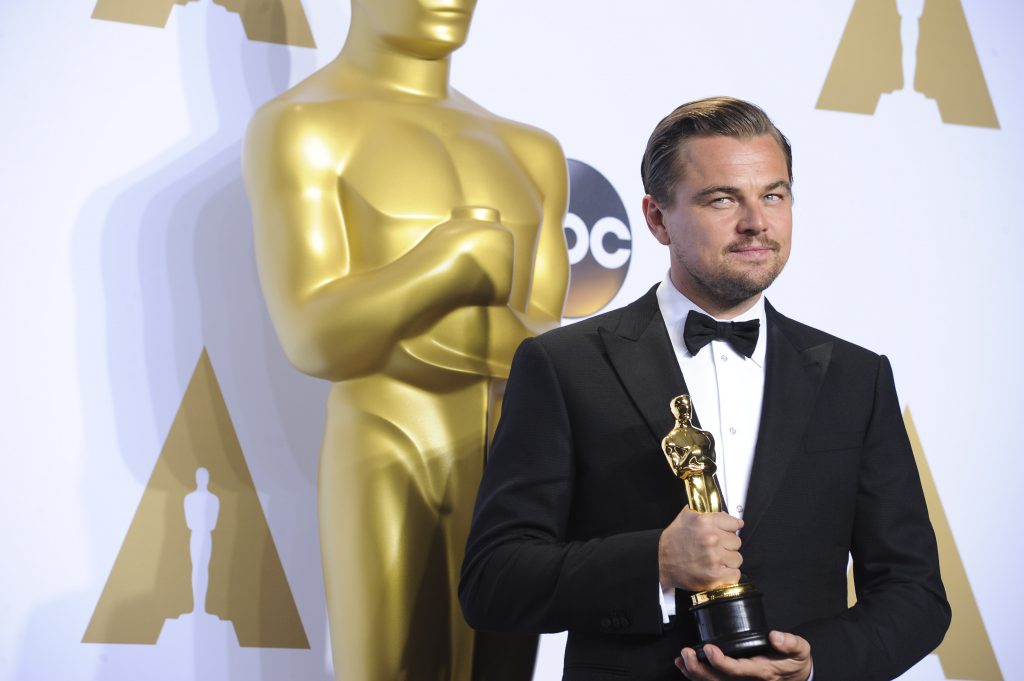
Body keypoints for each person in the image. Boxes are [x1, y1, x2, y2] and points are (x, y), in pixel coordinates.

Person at [459, 97, 949, 681]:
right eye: (722, 199)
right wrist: (657, 563)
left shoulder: (856, 377)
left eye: (773, 195)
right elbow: (493, 581)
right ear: (657, 218)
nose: (756, 223)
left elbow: (914, 594)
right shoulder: (564, 366)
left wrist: (816, 665)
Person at [244, 0, 569, 678]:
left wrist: (409, 318)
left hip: (514, 459)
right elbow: (313, 336)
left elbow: (546, 350)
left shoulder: (530, 149)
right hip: (384, 444)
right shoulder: (304, 128)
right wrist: (442, 269)